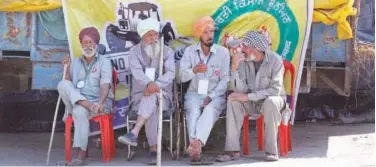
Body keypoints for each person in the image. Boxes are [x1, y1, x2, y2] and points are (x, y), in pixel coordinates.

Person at [216, 31, 290, 162]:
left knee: (271, 102)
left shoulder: (275, 60)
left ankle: (271, 151)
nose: (242, 50)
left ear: (256, 49)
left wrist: (248, 97)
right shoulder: (244, 62)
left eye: (245, 47)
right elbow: (240, 90)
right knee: (233, 100)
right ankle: (232, 150)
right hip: (253, 102)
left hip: (274, 100)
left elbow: (275, 90)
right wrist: (234, 67)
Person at [117, 18, 175, 165]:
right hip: (139, 96)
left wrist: (155, 85)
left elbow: (171, 73)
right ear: (142, 36)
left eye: (155, 34)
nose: (154, 38)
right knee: (152, 104)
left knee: (153, 96)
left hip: (164, 96)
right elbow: (137, 73)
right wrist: (148, 84)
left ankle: (135, 133)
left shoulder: (167, 51)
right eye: (149, 35)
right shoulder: (134, 52)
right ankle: (154, 149)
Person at [58, 27, 114, 166]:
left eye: (90, 42)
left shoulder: (104, 61)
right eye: (85, 43)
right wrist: (66, 67)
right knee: (62, 84)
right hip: (84, 103)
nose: (87, 45)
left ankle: (81, 155)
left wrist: (100, 102)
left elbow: (105, 85)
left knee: (78, 111)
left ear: (96, 43)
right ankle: (85, 104)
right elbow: (68, 84)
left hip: (98, 102)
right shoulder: (75, 62)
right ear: (81, 44)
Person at [179, 16, 230, 164]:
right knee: (193, 111)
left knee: (209, 110)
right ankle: (197, 147)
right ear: (199, 34)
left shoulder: (223, 53)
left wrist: (212, 96)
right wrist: (194, 70)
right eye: (206, 32)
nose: (210, 35)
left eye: (212, 32)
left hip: (215, 95)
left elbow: (225, 79)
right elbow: (181, 77)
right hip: (194, 93)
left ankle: (195, 146)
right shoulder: (189, 52)